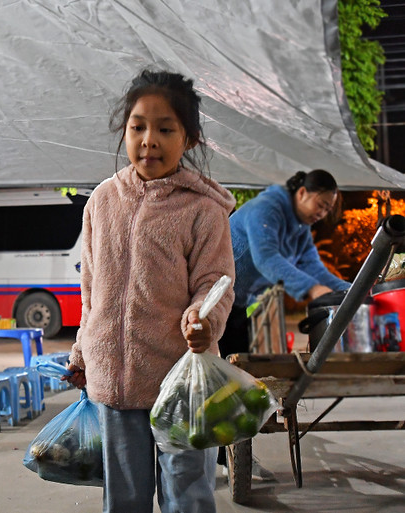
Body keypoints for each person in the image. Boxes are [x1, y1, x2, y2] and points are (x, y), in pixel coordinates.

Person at [63, 69, 235, 513]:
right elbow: (91, 288)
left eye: (165, 129)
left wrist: (203, 320)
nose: (149, 140)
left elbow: (214, 284)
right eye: (137, 127)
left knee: (188, 498)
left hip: (182, 383)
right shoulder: (102, 201)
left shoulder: (203, 210)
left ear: (189, 138)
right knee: (124, 500)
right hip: (116, 385)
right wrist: (82, 352)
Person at [216, 169, 350, 479]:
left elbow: (313, 266)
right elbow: (267, 259)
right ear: (302, 193)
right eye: (322, 204)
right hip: (206, 301)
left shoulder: (299, 227)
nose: (323, 213)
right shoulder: (268, 208)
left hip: (235, 307)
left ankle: (232, 458)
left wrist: (353, 288)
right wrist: (311, 289)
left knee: (239, 383)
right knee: (208, 384)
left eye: (329, 209)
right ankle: (197, 461)